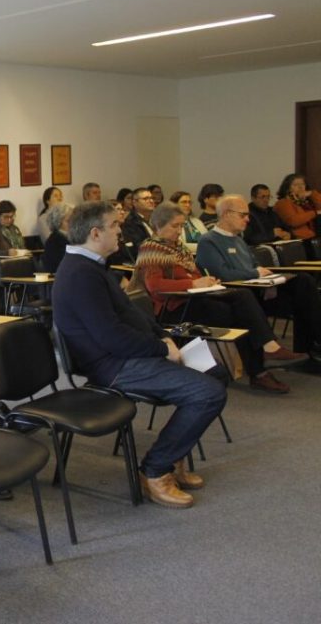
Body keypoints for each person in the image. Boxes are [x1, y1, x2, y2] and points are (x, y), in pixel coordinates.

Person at [53, 201, 227, 509]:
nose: (120, 231)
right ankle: (155, 469)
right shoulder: (80, 274)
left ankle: (172, 457)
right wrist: (161, 349)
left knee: (216, 374)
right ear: (95, 233)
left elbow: (130, 312)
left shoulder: (92, 265)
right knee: (208, 393)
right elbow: (111, 337)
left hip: (127, 355)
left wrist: (162, 336)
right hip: (112, 366)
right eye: (114, 225)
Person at [130, 202, 302, 393]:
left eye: (181, 226)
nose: (179, 231)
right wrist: (193, 284)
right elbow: (155, 287)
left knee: (243, 297)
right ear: (158, 226)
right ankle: (261, 366)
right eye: (174, 226)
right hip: (172, 308)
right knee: (240, 315)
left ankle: (265, 356)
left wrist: (206, 281)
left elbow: (193, 275)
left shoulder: (178, 247)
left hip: (192, 300)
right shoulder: (151, 248)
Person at [197, 195, 321, 355]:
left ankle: (312, 344)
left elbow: (256, 264)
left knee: (303, 281)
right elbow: (223, 274)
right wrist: (255, 273)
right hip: (239, 295)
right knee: (251, 294)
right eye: (243, 215)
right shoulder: (208, 241)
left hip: (258, 288)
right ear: (226, 214)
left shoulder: (238, 240)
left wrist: (266, 277)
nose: (248, 219)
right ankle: (274, 349)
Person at [273, 173, 321, 240]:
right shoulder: (282, 203)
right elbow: (293, 221)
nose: (300, 187)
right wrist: (314, 213)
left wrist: (312, 193)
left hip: (314, 237)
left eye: (303, 184)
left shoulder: (307, 201)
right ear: (287, 188)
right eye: (295, 185)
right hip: (298, 239)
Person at [41, 203, 72, 273]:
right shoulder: (55, 241)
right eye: (68, 221)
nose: (72, 223)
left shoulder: (70, 237)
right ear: (58, 222)